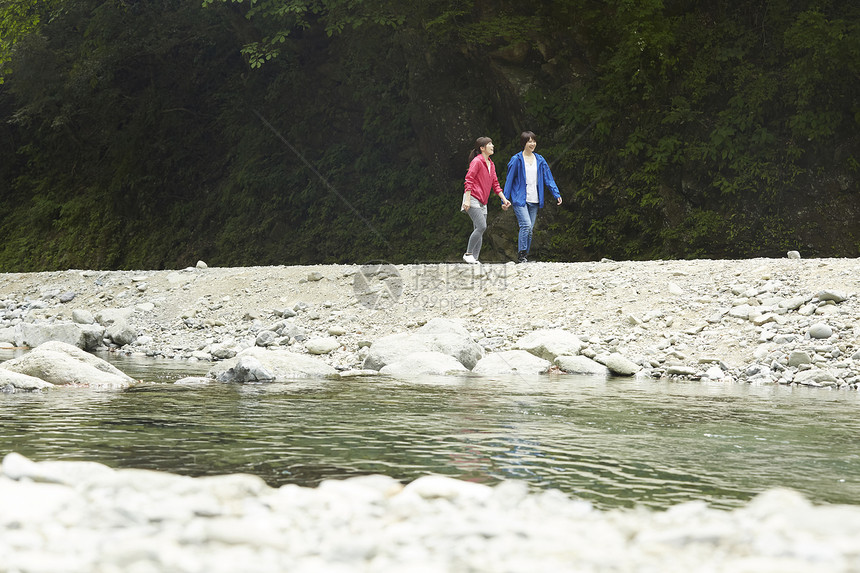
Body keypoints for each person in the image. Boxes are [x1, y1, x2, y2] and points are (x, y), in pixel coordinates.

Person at [503, 131, 562, 263]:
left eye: (534, 141)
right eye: (529, 141)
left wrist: (556, 193)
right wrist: (505, 198)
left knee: (530, 229)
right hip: (520, 199)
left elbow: (548, 178)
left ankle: (525, 256)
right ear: (524, 143)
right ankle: (521, 255)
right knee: (526, 225)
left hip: (534, 199)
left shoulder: (540, 160)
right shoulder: (516, 159)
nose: (532, 144)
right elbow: (509, 180)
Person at [462, 136, 511, 264]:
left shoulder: (491, 164)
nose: (492, 146)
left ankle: (474, 259)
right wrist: (467, 200)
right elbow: (469, 180)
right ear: (482, 148)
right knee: (482, 226)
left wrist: (504, 200)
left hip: (483, 201)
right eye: (489, 144)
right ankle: (468, 254)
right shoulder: (477, 161)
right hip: (472, 197)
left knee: (478, 229)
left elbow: (495, 184)